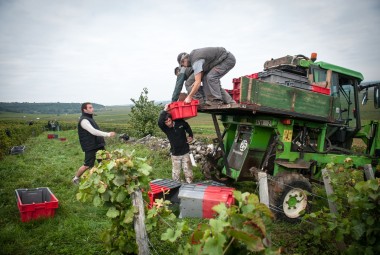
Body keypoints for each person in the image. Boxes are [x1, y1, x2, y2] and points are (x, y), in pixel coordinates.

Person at [72, 102, 116, 184]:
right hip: (91, 146)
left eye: (92, 107)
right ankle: (75, 178)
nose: (92, 109)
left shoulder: (89, 118)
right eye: (90, 107)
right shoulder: (84, 120)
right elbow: (94, 132)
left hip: (98, 145)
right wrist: (108, 134)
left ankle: (106, 180)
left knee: (105, 162)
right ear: (84, 110)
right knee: (87, 165)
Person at [158, 104, 194, 183]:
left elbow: (187, 126)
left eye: (169, 120)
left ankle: (190, 184)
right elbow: (159, 122)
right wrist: (164, 109)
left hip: (185, 152)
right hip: (175, 154)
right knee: (176, 173)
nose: (168, 123)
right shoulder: (166, 129)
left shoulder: (180, 123)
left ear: (172, 119)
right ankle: (176, 186)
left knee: (188, 170)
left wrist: (190, 135)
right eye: (166, 122)